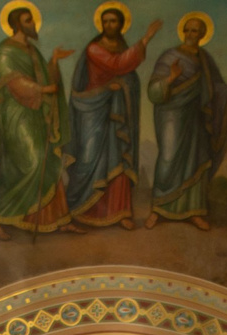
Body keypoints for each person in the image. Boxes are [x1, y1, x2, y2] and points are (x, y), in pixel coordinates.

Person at [146, 13, 227, 229]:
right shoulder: (169, 56)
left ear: (202, 35)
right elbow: (153, 92)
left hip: (197, 118)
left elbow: (217, 87)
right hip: (171, 116)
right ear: (183, 32)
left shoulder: (205, 59)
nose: (191, 34)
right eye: (189, 30)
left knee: (197, 160)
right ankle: (158, 209)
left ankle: (194, 212)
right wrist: (171, 78)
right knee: (168, 158)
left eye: (196, 31)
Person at [65, 7, 159, 228]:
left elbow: (126, 74)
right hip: (94, 110)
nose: (109, 25)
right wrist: (145, 40)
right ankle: (82, 208)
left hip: (117, 114)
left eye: (113, 21)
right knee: (90, 158)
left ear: (120, 24)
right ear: (101, 24)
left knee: (118, 158)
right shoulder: (93, 48)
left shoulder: (122, 47)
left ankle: (121, 212)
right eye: (105, 21)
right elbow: (117, 64)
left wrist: (124, 85)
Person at [0, 4, 73, 237]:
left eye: (32, 20)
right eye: (27, 20)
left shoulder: (32, 50)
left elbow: (43, 76)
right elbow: (14, 83)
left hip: (35, 113)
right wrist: (44, 89)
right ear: (16, 24)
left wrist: (53, 61)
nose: (32, 25)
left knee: (48, 160)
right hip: (15, 115)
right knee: (28, 163)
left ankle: (56, 218)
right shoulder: (5, 51)